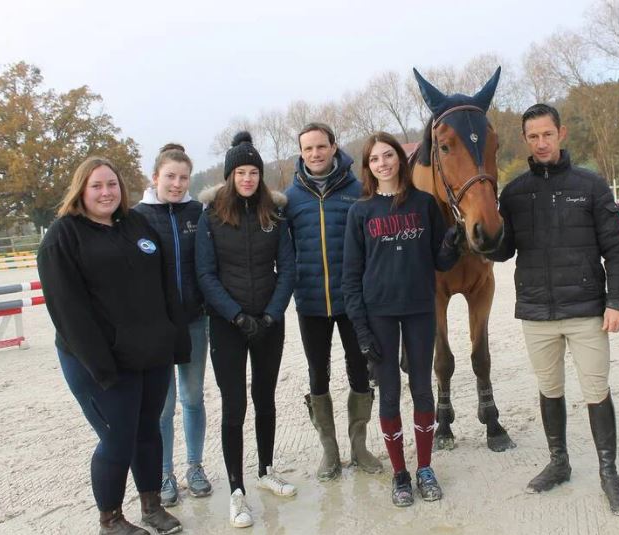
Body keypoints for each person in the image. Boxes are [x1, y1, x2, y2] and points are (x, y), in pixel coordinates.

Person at [488, 103, 619, 516]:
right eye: (533, 137)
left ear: (561, 133)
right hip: (536, 312)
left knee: (595, 390)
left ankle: (609, 473)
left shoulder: (590, 185)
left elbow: (617, 247)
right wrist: (475, 233)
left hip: (587, 310)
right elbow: (503, 251)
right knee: (549, 388)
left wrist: (618, 301)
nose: (541, 143)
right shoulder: (514, 193)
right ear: (526, 140)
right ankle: (559, 462)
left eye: (546, 134)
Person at [37, 157, 188, 535]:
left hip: (150, 353)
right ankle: (111, 519)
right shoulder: (63, 236)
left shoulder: (137, 224)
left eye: (112, 185)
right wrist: (100, 366)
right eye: (96, 186)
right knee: (117, 436)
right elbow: (67, 311)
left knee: (147, 430)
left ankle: (152, 506)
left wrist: (175, 339)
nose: (106, 192)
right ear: (81, 191)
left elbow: (167, 285)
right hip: (100, 360)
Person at [342, 132, 461, 507]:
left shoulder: (424, 205)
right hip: (379, 314)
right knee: (389, 394)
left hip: (420, 311)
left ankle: (424, 467)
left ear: (399, 160)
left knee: (422, 389)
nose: (383, 163)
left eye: (388, 155)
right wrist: (362, 331)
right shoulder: (360, 212)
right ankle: (400, 473)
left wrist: (452, 243)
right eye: (375, 159)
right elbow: (350, 277)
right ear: (368, 167)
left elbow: (441, 262)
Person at [195, 132, 297, 528]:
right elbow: (206, 274)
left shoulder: (274, 214)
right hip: (228, 325)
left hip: (269, 321)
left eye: (254, 171)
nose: (248, 178)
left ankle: (266, 469)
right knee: (234, 405)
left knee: (265, 399)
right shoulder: (212, 217)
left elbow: (287, 268)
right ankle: (236, 490)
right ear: (230, 176)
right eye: (241, 172)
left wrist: (271, 314)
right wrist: (236, 316)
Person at [284, 122, 383, 481]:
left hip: (352, 302)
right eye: (308, 149)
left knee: (359, 370)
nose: (315, 154)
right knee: (317, 374)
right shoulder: (290, 198)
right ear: (301, 153)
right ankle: (330, 450)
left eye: (321, 147)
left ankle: (359, 446)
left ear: (333, 147)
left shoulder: (356, 190)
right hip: (310, 303)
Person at [133, 144, 212, 506]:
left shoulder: (198, 212)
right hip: (157, 328)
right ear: (155, 178)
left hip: (194, 321)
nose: (177, 184)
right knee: (162, 407)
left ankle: (195, 466)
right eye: (170, 177)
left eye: (183, 178)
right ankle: (164, 472)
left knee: (192, 398)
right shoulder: (137, 217)